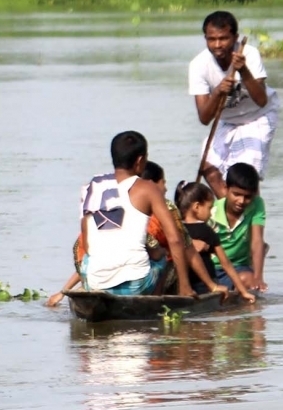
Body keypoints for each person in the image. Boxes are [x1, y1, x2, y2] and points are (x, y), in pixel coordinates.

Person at [45, 131, 196, 307]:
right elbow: (175, 239)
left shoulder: (90, 188)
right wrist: (185, 287)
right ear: (140, 161)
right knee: (162, 258)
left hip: (94, 281)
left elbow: (87, 245)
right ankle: (151, 304)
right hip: (136, 285)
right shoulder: (148, 189)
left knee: (90, 258)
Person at [189, 10, 278, 197]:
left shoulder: (249, 55)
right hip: (227, 119)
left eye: (223, 38)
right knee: (208, 167)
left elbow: (261, 100)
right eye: (211, 39)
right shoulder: (198, 65)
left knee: (245, 173)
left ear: (235, 37)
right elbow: (205, 118)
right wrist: (218, 92)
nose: (217, 45)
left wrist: (243, 70)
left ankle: (250, 219)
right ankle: (233, 217)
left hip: (257, 116)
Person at [174, 181, 256, 302]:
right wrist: (244, 292)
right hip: (205, 286)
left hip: (182, 284)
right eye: (209, 208)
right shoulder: (207, 232)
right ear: (196, 207)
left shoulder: (176, 229)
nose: (211, 212)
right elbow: (226, 263)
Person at [208, 163, 268, 293]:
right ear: (225, 188)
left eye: (247, 197)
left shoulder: (256, 204)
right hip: (212, 269)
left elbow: (257, 241)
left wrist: (258, 278)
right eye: (237, 194)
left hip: (240, 268)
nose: (241, 201)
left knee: (249, 279)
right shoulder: (212, 211)